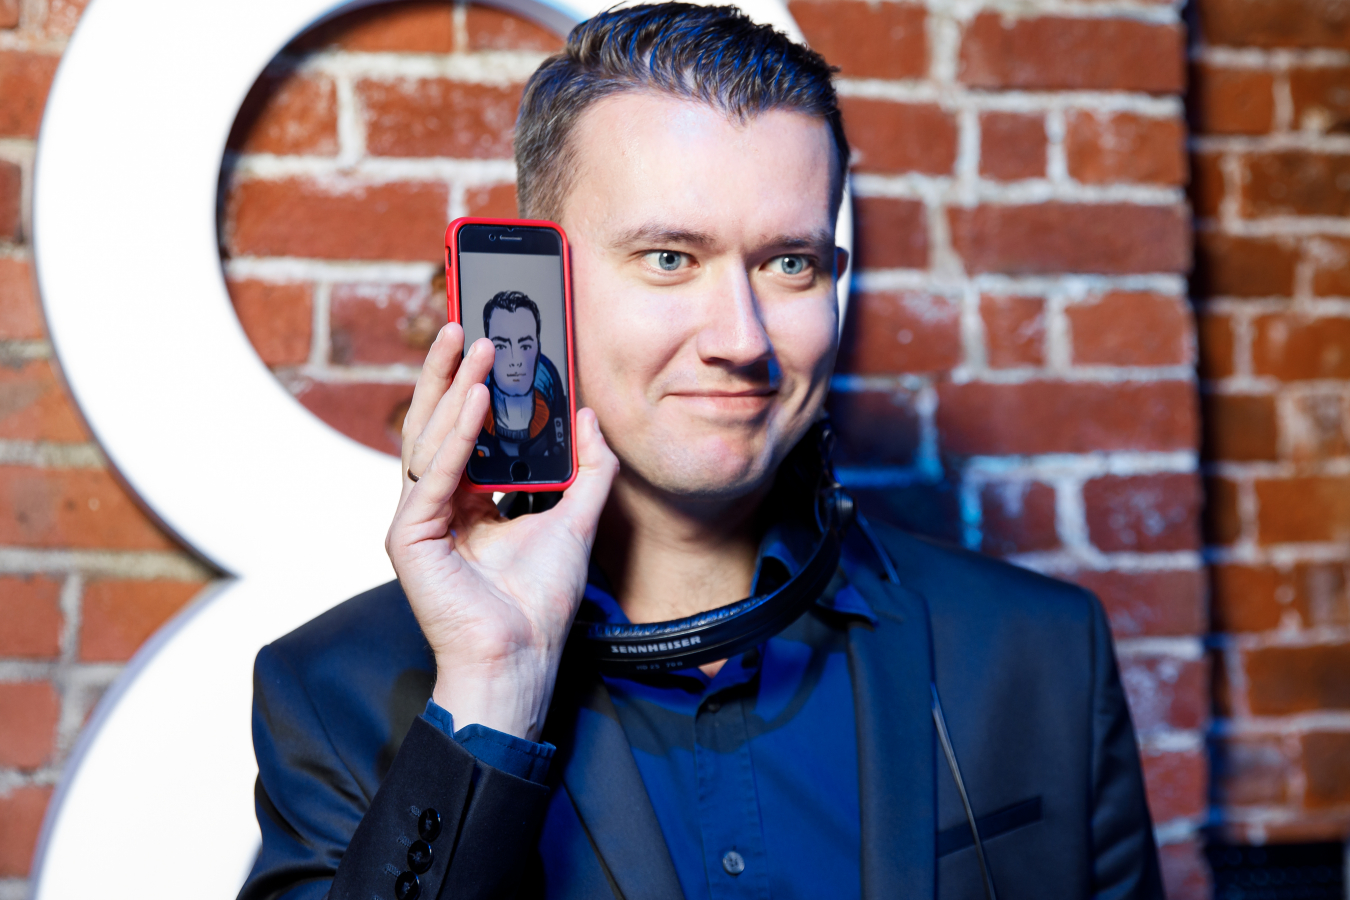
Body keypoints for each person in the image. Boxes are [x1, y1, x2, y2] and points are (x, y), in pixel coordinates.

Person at [240, 5, 1163, 900]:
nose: (743, 339)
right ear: (542, 288)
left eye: (790, 263)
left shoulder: (1042, 654)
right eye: (670, 258)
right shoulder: (335, 692)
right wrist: (492, 689)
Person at [476, 290, 568, 460]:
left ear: (538, 348)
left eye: (525, 346)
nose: (515, 360)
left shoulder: (560, 417)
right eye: (501, 346)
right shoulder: (472, 424)